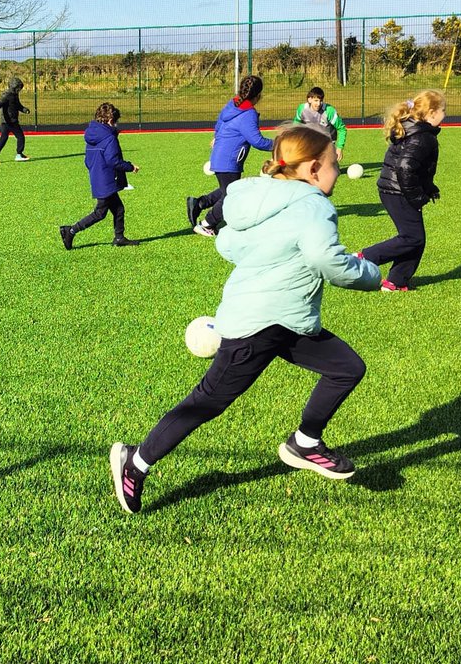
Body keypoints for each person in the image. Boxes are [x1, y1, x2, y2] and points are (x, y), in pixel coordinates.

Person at [111, 125, 381, 513]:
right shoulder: (314, 205)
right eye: (335, 164)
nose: (339, 170)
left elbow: (228, 243)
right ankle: (134, 463)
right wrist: (369, 274)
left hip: (286, 320)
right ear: (312, 168)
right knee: (207, 402)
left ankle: (304, 442)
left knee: (346, 367)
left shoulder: (262, 196)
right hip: (258, 324)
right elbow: (326, 259)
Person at [357, 91, 446, 292]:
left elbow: (418, 168)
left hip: (392, 189)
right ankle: (365, 257)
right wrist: (416, 197)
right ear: (431, 113)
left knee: (415, 238)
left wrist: (429, 188)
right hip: (400, 192)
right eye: (443, 110)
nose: (445, 114)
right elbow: (405, 168)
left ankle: (396, 281)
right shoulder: (423, 137)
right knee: (412, 238)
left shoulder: (412, 128)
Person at [186, 75, 273, 238]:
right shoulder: (249, 113)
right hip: (230, 159)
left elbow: (219, 122)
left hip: (221, 154)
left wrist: (217, 136)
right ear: (259, 95)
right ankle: (207, 224)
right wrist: (279, 145)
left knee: (229, 189)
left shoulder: (233, 103)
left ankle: (200, 203)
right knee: (232, 195)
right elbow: (257, 141)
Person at [60, 102, 140, 249]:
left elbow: (87, 160)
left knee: (118, 208)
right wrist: (130, 166)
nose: (116, 125)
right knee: (100, 213)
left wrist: (96, 171)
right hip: (106, 180)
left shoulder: (93, 134)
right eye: (116, 122)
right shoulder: (109, 137)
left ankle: (119, 237)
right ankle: (70, 231)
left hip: (98, 176)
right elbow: (113, 161)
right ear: (110, 121)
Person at [294, 86, 348, 161]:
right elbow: (295, 126)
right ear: (309, 99)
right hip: (310, 142)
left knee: (328, 171)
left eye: (321, 100)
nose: (319, 104)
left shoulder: (329, 111)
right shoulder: (302, 109)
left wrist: (339, 148)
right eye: (316, 100)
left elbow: (342, 129)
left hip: (327, 143)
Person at [0, 77, 31, 163]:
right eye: (18, 88)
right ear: (14, 87)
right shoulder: (7, 95)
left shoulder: (15, 95)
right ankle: (19, 154)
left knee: (4, 138)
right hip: (8, 121)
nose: (19, 90)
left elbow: (18, 105)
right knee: (20, 137)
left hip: (12, 120)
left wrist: (24, 109)